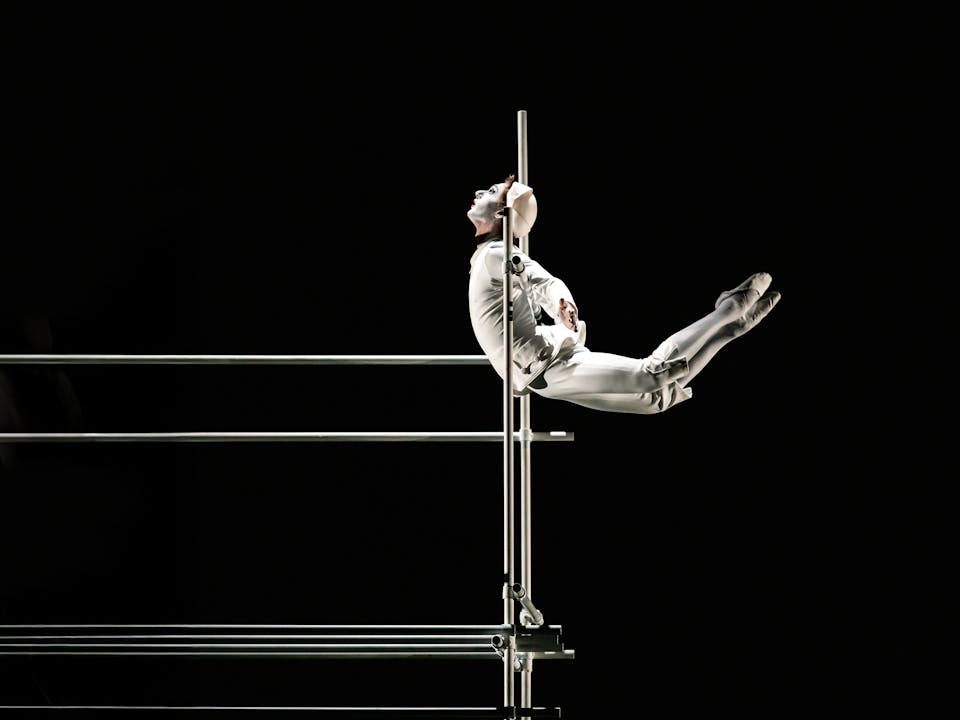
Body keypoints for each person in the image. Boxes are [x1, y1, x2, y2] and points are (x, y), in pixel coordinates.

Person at [467, 174, 780, 414]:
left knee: (651, 375)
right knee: (655, 399)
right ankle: (731, 328)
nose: (480, 193)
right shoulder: (487, 255)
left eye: (492, 192)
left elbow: (543, 281)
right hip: (542, 374)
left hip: (548, 364)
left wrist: (561, 304)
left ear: (500, 215)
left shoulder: (499, 253)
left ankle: (728, 309)